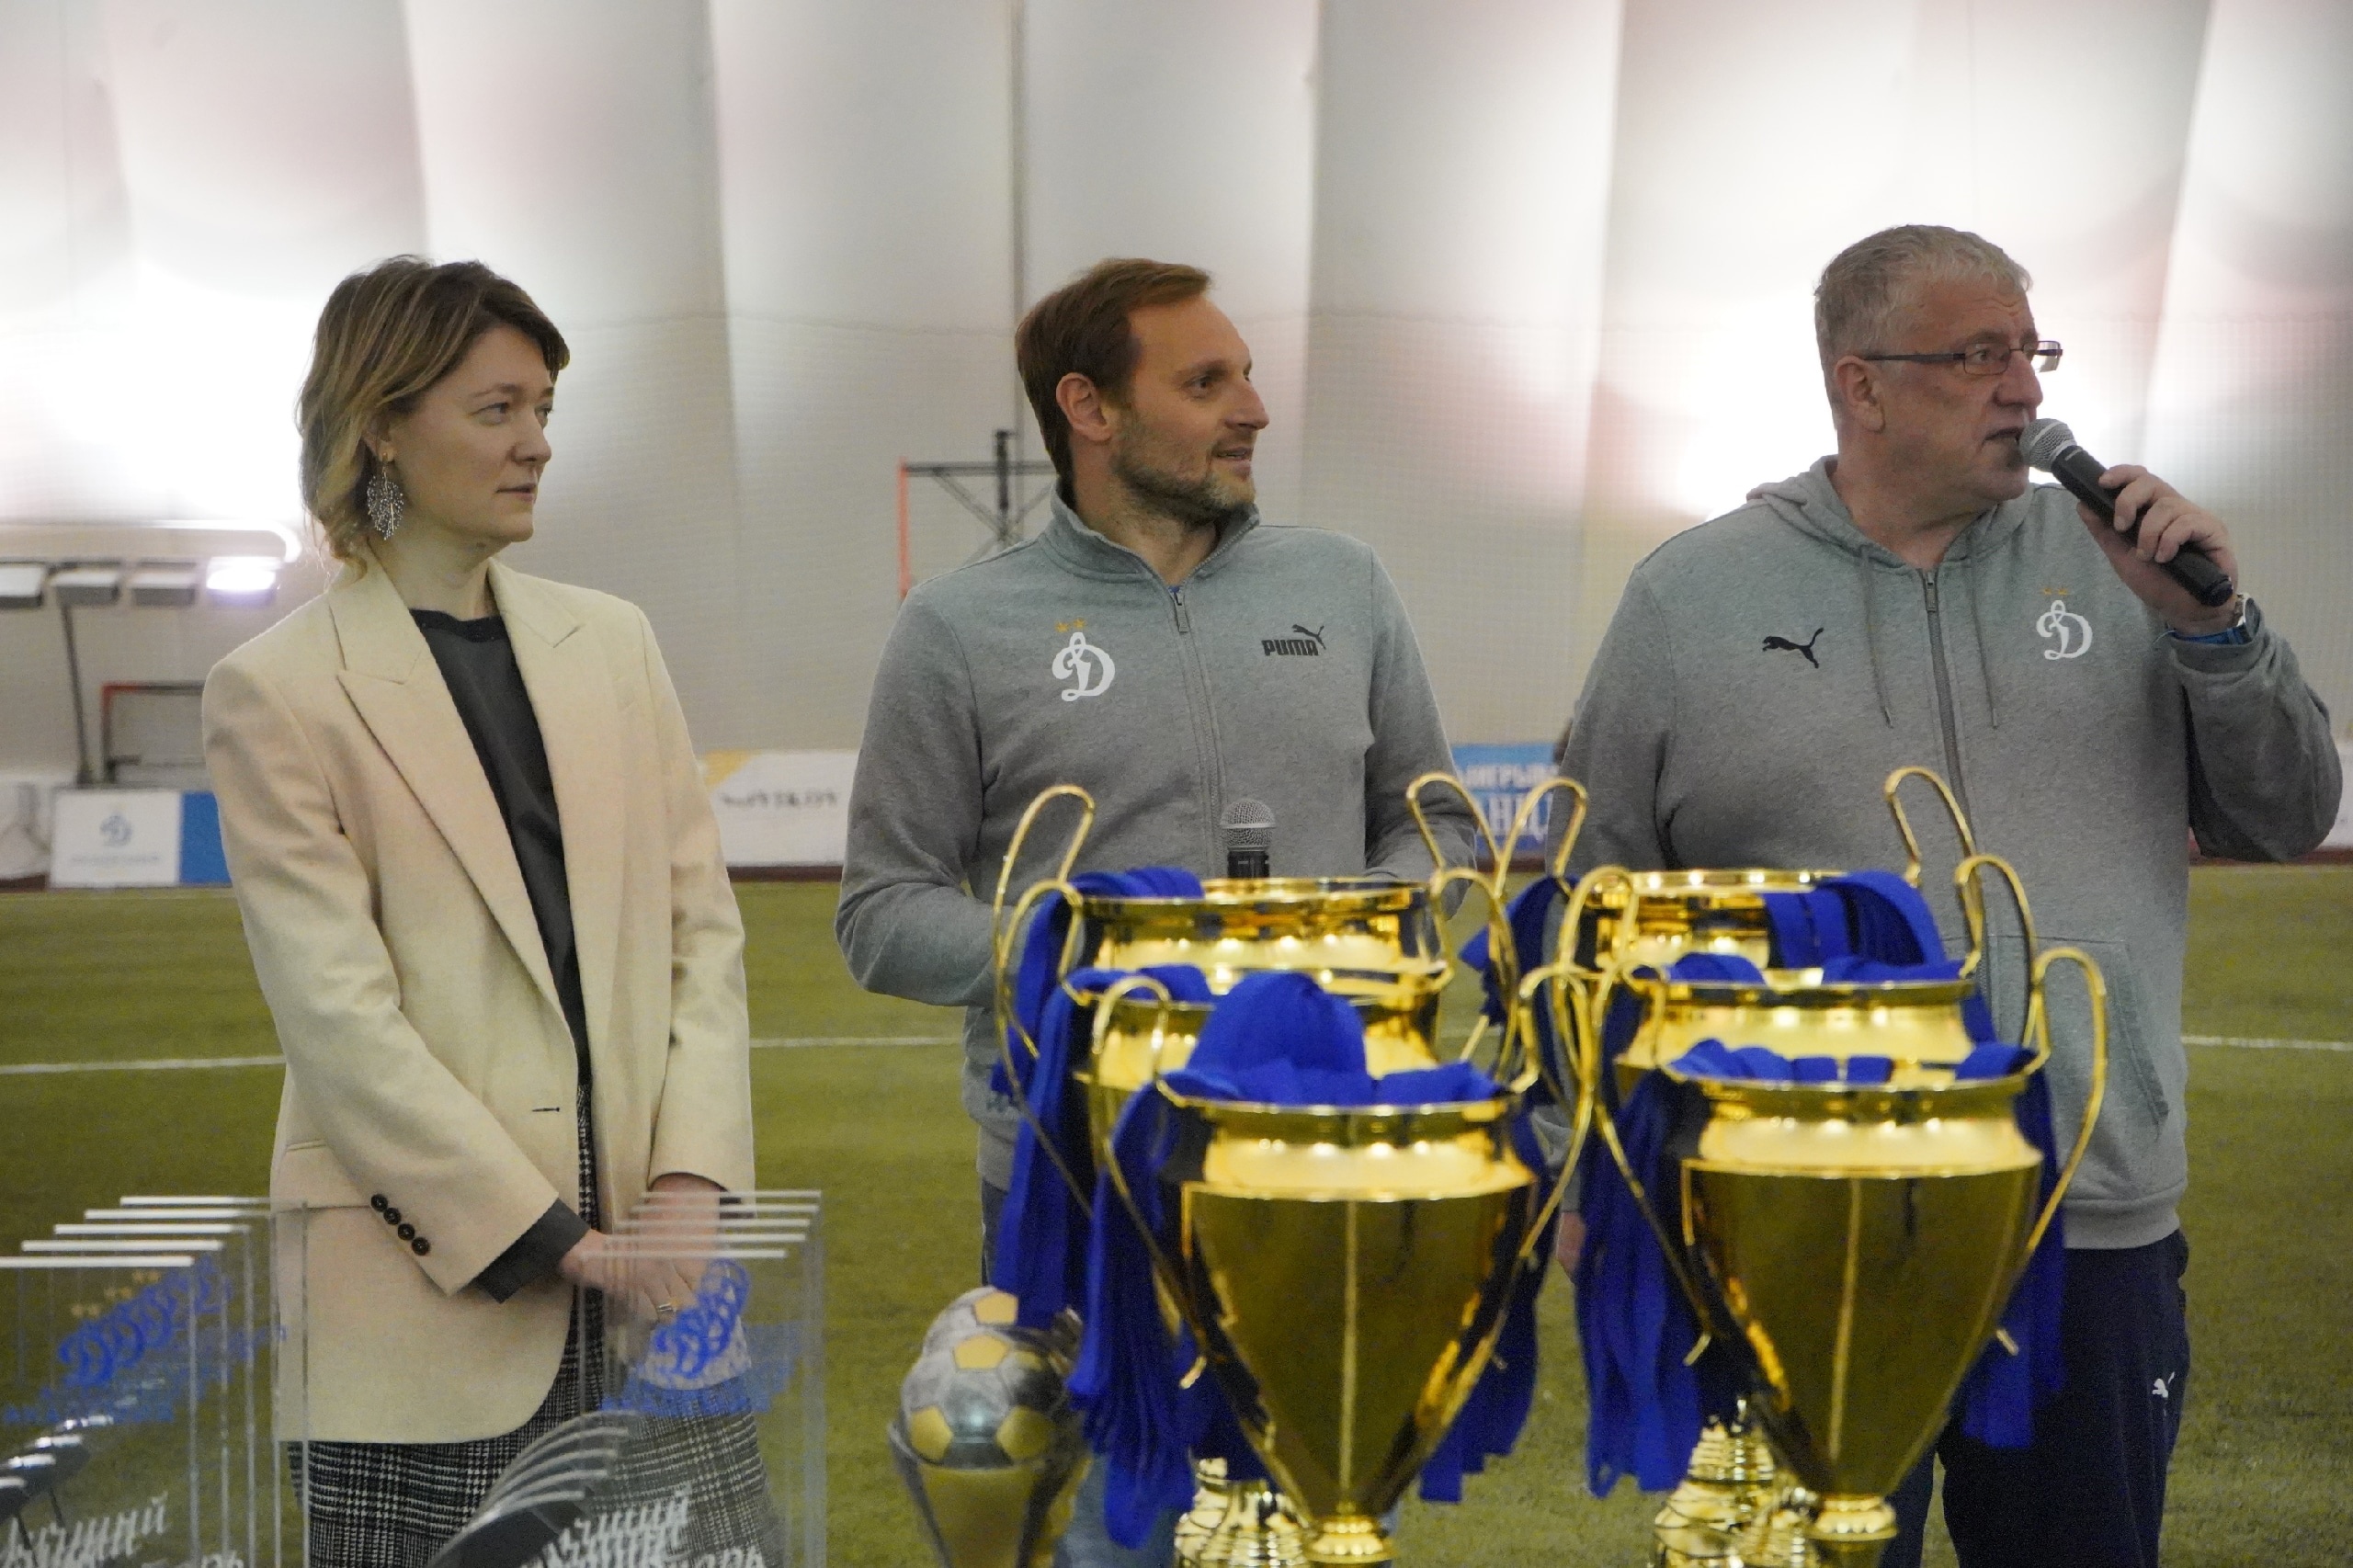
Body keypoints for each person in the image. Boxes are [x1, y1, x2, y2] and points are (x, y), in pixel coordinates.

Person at [1555, 224, 2339, 1568]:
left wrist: (2214, 629)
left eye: (2033, 352)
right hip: (1799, 1216)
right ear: (1860, 385)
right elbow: (1593, 898)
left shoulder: (2122, 566)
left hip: (2088, 1211)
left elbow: (2288, 813)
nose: (2024, 389)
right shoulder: (1690, 598)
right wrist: (1587, 1157)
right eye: (1979, 356)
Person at [837, 256, 1477, 1565]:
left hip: (1323, 1147)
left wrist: (1366, 924)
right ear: (1090, 407)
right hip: (1073, 1168)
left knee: (1327, 1527)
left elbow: (1439, 824)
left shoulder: (1344, 585)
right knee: (1115, 1537)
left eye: (1247, 375)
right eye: (1205, 383)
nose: (1252, 408)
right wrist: (1070, 948)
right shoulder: (959, 626)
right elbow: (883, 912)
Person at [205, 257, 756, 1568]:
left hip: (662, 1306)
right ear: (384, 426)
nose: (537, 444)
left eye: (544, 409)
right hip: (422, 1322)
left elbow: (703, 936)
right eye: (497, 410)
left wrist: (689, 1187)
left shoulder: (614, 642)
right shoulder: (277, 690)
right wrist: (555, 1241)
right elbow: (340, 1024)